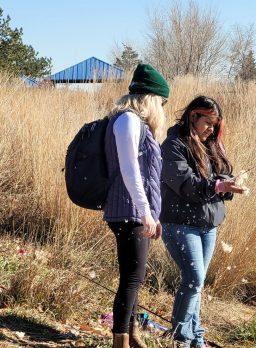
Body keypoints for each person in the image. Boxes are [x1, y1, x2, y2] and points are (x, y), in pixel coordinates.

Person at [160, 96, 246, 347]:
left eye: (215, 124)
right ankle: (181, 338)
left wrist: (231, 185)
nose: (211, 128)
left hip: (208, 225)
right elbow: (187, 186)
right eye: (207, 122)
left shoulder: (211, 145)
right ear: (192, 117)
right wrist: (219, 185)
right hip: (179, 224)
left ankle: (195, 336)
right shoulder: (173, 145)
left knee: (195, 283)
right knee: (194, 279)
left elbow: (218, 181)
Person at [102, 63, 169, 348]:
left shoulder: (131, 122)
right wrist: (145, 213)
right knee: (132, 277)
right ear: (151, 98)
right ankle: (120, 341)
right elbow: (130, 171)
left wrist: (151, 213)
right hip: (128, 210)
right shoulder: (128, 121)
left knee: (133, 275)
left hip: (132, 210)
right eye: (161, 101)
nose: (163, 108)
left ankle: (132, 333)